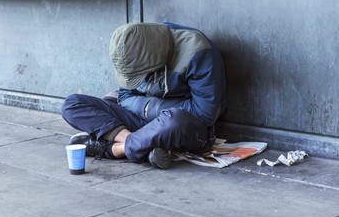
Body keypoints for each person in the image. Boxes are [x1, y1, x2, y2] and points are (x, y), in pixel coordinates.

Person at [61, 22, 226, 169]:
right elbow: (124, 97)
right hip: (141, 119)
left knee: (175, 120)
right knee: (72, 104)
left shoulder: (198, 52)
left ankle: (114, 149)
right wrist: (146, 110)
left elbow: (204, 114)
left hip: (183, 129)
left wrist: (150, 108)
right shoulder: (133, 48)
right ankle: (140, 143)